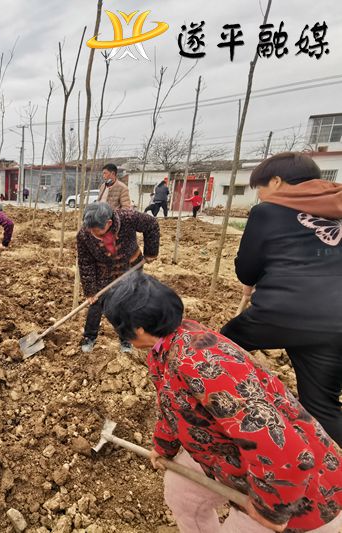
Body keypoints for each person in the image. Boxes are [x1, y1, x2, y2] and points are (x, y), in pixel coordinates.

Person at [102, 273, 342, 533]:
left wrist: (272, 510)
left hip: (295, 493)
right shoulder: (165, 348)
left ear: (137, 329)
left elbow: (284, 450)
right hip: (231, 459)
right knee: (181, 490)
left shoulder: (200, 365)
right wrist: (163, 446)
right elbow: (173, 406)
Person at [220, 152, 342, 446]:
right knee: (322, 407)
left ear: (276, 181)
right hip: (336, 324)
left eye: (260, 189)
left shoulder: (267, 212)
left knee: (218, 349)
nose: (260, 196)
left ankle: (222, 413)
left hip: (282, 312)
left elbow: (247, 269)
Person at [77, 202, 159, 353]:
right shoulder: (84, 234)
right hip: (104, 269)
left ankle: (126, 339)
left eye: (97, 231)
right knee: (96, 302)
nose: (93, 234)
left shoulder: (128, 218)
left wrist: (151, 252)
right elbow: (85, 263)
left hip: (129, 265)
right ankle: (89, 337)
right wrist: (90, 290)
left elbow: (151, 224)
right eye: (91, 230)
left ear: (108, 223)